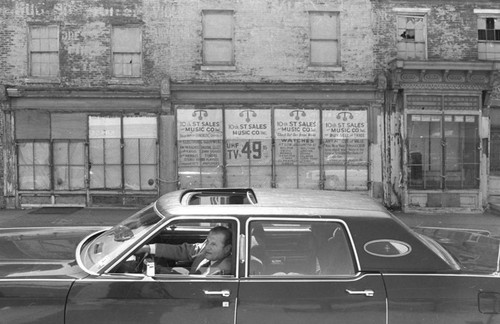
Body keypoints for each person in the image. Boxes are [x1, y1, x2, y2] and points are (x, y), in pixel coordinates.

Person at [137, 225, 233, 275]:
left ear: (227, 249)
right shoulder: (207, 250)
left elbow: (199, 282)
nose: (207, 247)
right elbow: (182, 251)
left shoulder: (224, 268)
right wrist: (148, 248)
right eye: (207, 241)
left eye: (213, 244)